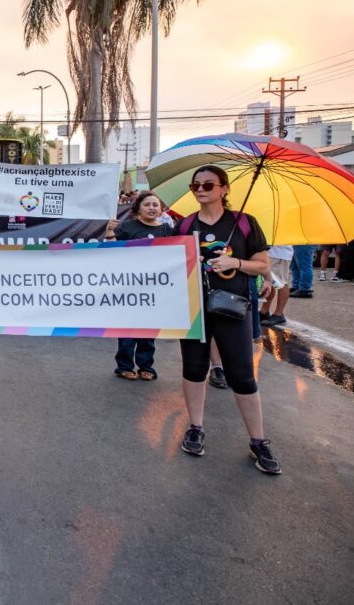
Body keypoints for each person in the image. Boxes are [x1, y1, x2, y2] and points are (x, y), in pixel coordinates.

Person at [177, 165, 280, 475]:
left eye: (208, 184)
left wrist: (234, 261)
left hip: (233, 309)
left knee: (242, 376)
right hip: (193, 309)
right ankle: (196, 427)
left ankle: (258, 441)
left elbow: (263, 267)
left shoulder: (245, 224)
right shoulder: (183, 226)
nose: (201, 189)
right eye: (195, 185)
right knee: (194, 370)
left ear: (224, 189)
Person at [104, 191, 175, 380]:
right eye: (147, 204)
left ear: (161, 210)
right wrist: (110, 233)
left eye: (155, 205)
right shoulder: (126, 227)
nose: (151, 208)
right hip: (129, 287)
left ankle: (146, 366)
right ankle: (124, 366)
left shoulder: (168, 230)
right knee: (127, 328)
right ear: (138, 208)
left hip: (155, 289)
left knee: (148, 329)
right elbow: (111, 253)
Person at [259, 245, 294, 326]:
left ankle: (278, 314)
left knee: (281, 282)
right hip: (272, 253)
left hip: (279, 254)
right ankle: (264, 311)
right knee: (269, 281)